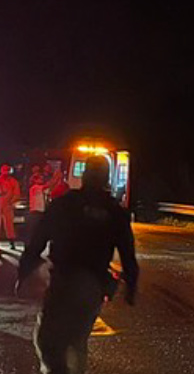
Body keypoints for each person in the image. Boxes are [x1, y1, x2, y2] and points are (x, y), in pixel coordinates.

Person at [16, 156, 139, 374]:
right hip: (94, 287)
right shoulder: (115, 212)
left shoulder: (64, 204)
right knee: (77, 338)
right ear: (107, 178)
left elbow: (38, 240)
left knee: (47, 341)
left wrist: (25, 271)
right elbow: (128, 254)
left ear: (84, 175)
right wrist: (131, 286)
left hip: (64, 282)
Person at [0, 164, 21, 250]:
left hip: (7, 206)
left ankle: (12, 243)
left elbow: (16, 194)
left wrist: (11, 203)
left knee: (9, 226)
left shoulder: (13, 182)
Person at [27, 173, 47, 244]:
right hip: (35, 213)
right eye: (40, 178)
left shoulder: (40, 188)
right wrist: (56, 177)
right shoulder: (35, 187)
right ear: (35, 180)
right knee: (33, 233)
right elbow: (48, 186)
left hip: (40, 213)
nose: (42, 180)